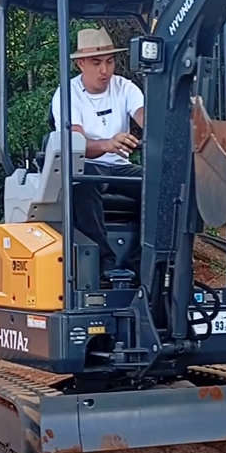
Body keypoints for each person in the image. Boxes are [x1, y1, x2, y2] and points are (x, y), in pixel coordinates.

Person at [50, 26, 144, 277]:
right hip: (89, 168)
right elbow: (76, 144)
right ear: (81, 63)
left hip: (122, 169)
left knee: (160, 184)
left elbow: (147, 118)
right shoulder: (67, 95)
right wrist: (108, 144)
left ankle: (142, 261)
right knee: (82, 179)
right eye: (97, 63)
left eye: (110, 62)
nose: (105, 70)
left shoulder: (125, 88)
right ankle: (103, 263)